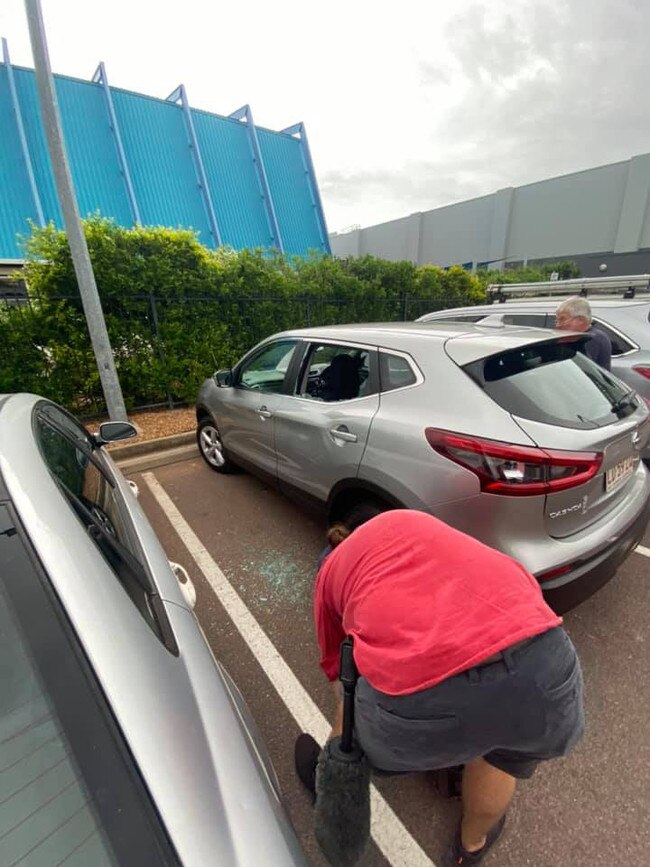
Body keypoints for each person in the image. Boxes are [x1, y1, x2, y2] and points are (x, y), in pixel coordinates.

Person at [296, 508, 584, 866]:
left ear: (337, 540)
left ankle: (334, 786)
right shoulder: (414, 523)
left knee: (350, 727)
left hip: (431, 695)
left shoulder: (330, 572)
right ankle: (470, 847)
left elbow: (341, 678)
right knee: (504, 755)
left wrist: (346, 741)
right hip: (546, 662)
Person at [555, 296, 612, 369]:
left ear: (581, 320)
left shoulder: (590, 338)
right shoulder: (597, 335)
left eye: (562, 319)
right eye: (557, 320)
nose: (558, 325)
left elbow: (580, 369)